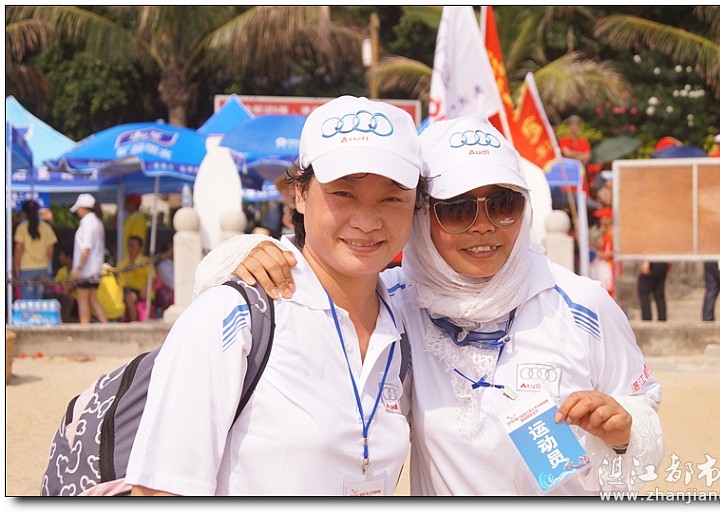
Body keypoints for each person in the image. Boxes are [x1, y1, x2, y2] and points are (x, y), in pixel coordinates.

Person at [208, 116, 664, 496]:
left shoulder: (581, 305)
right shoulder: (395, 304)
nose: (484, 226)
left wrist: (625, 431)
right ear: (422, 214)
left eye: (503, 204)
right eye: (458, 209)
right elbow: (307, 281)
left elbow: (644, 412)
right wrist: (244, 253)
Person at [125, 95, 424, 496]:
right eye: (343, 193)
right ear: (300, 194)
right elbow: (160, 491)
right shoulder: (235, 316)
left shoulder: (406, 325)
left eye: (391, 197)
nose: (367, 221)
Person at [70, 193, 108, 324]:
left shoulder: (87, 223)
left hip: (86, 269)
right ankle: (106, 327)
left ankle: (84, 328)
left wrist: (78, 268)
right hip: (96, 268)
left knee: (83, 301)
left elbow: (86, 248)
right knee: (93, 300)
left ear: (83, 208)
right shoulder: (97, 222)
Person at [13, 200, 58, 300]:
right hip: (42, 268)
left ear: (24, 213)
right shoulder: (46, 227)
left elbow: (18, 249)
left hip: (26, 267)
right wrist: (47, 262)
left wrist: (16, 266)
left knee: (28, 300)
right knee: (39, 299)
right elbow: (51, 248)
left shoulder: (22, 228)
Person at [115, 235, 153, 322]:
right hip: (125, 289)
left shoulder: (145, 261)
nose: (130, 248)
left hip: (141, 290)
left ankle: (134, 321)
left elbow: (153, 278)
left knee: (129, 297)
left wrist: (146, 287)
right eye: (129, 245)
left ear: (139, 248)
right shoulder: (122, 263)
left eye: (133, 245)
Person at [43, 244, 78, 323]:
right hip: (63, 298)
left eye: (62, 255)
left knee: (66, 298)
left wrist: (64, 287)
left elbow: (68, 287)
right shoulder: (62, 270)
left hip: (76, 302)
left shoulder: (77, 272)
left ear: (68, 257)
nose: (59, 257)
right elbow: (56, 284)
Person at [122, 193, 147, 259]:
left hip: (132, 260)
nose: (125, 203)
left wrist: (132, 260)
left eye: (128, 201)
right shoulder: (129, 219)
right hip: (125, 258)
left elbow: (136, 242)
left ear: (133, 204)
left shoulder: (138, 220)